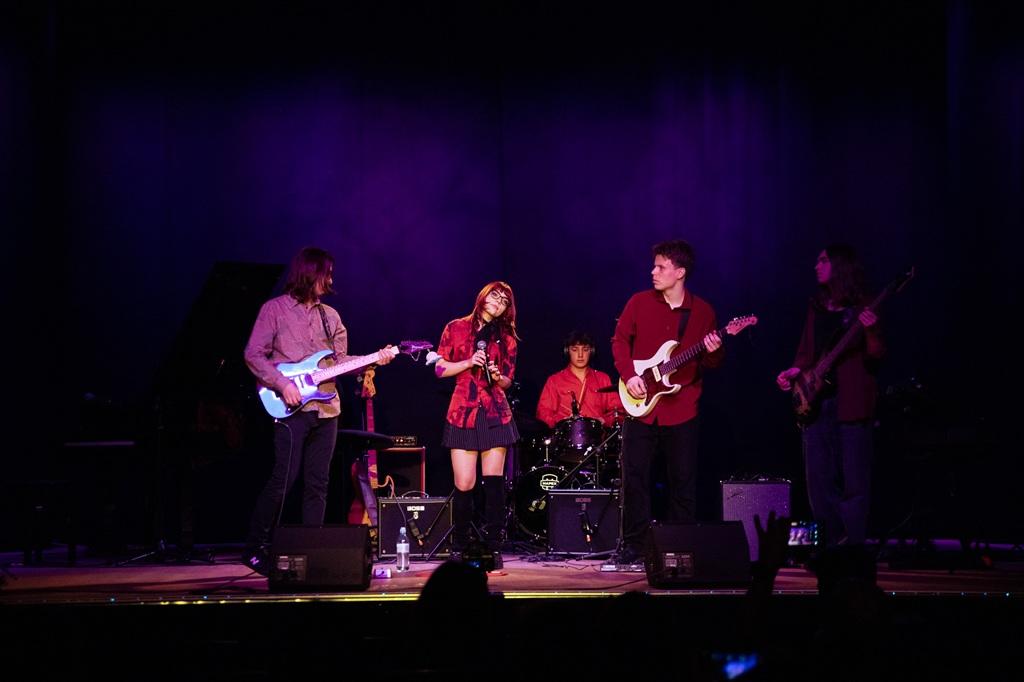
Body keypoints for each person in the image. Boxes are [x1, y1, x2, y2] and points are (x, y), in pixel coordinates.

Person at [241, 246, 396, 574]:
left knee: (318, 483)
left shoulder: (331, 316)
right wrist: (282, 384)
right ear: (310, 273)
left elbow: (339, 363)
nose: (331, 280)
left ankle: (310, 551)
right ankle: (255, 546)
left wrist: (373, 359)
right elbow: (253, 354)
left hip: (327, 409)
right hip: (290, 407)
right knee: (284, 479)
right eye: (327, 273)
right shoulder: (275, 310)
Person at [611, 239, 723, 563]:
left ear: (680, 272)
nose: (653, 271)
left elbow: (710, 364)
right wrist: (629, 375)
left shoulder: (703, 312)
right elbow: (619, 341)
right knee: (634, 478)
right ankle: (634, 546)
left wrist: (714, 352)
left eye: (661, 267)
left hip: (682, 408)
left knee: (682, 482)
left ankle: (680, 549)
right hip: (641, 407)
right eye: (654, 265)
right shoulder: (639, 302)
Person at [776, 245, 884, 547]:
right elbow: (807, 354)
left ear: (839, 265)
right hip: (817, 404)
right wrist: (794, 373)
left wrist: (872, 331)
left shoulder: (863, 307)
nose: (816, 266)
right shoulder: (817, 307)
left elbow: (876, 357)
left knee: (854, 482)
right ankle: (831, 546)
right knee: (818, 481)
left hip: (851, 404)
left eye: (823, 260)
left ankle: (853, 549)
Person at [434, 281, 520, 569]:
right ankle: (459, 546)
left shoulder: (507, 338)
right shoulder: (456, 327)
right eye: (495, 295)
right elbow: (440, 368)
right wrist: (468, 362)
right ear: (483, 296)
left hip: (495, 412)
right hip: (463, 411)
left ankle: (494, 548)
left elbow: (508, 381)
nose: (498, 302)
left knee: (494, 483)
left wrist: (497, 376)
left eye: (505, 301)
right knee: (464, 483)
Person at [536, 330, 619, 429]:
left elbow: (618, 411)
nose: (580, 355)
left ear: (591, 351)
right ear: (567, 351)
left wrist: (604, 420)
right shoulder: (554, 381)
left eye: (585, 349)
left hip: (598, 435)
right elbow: (543, 413)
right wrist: (562, 421)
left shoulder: (602, 379)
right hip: (566, 436)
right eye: (575, 350)